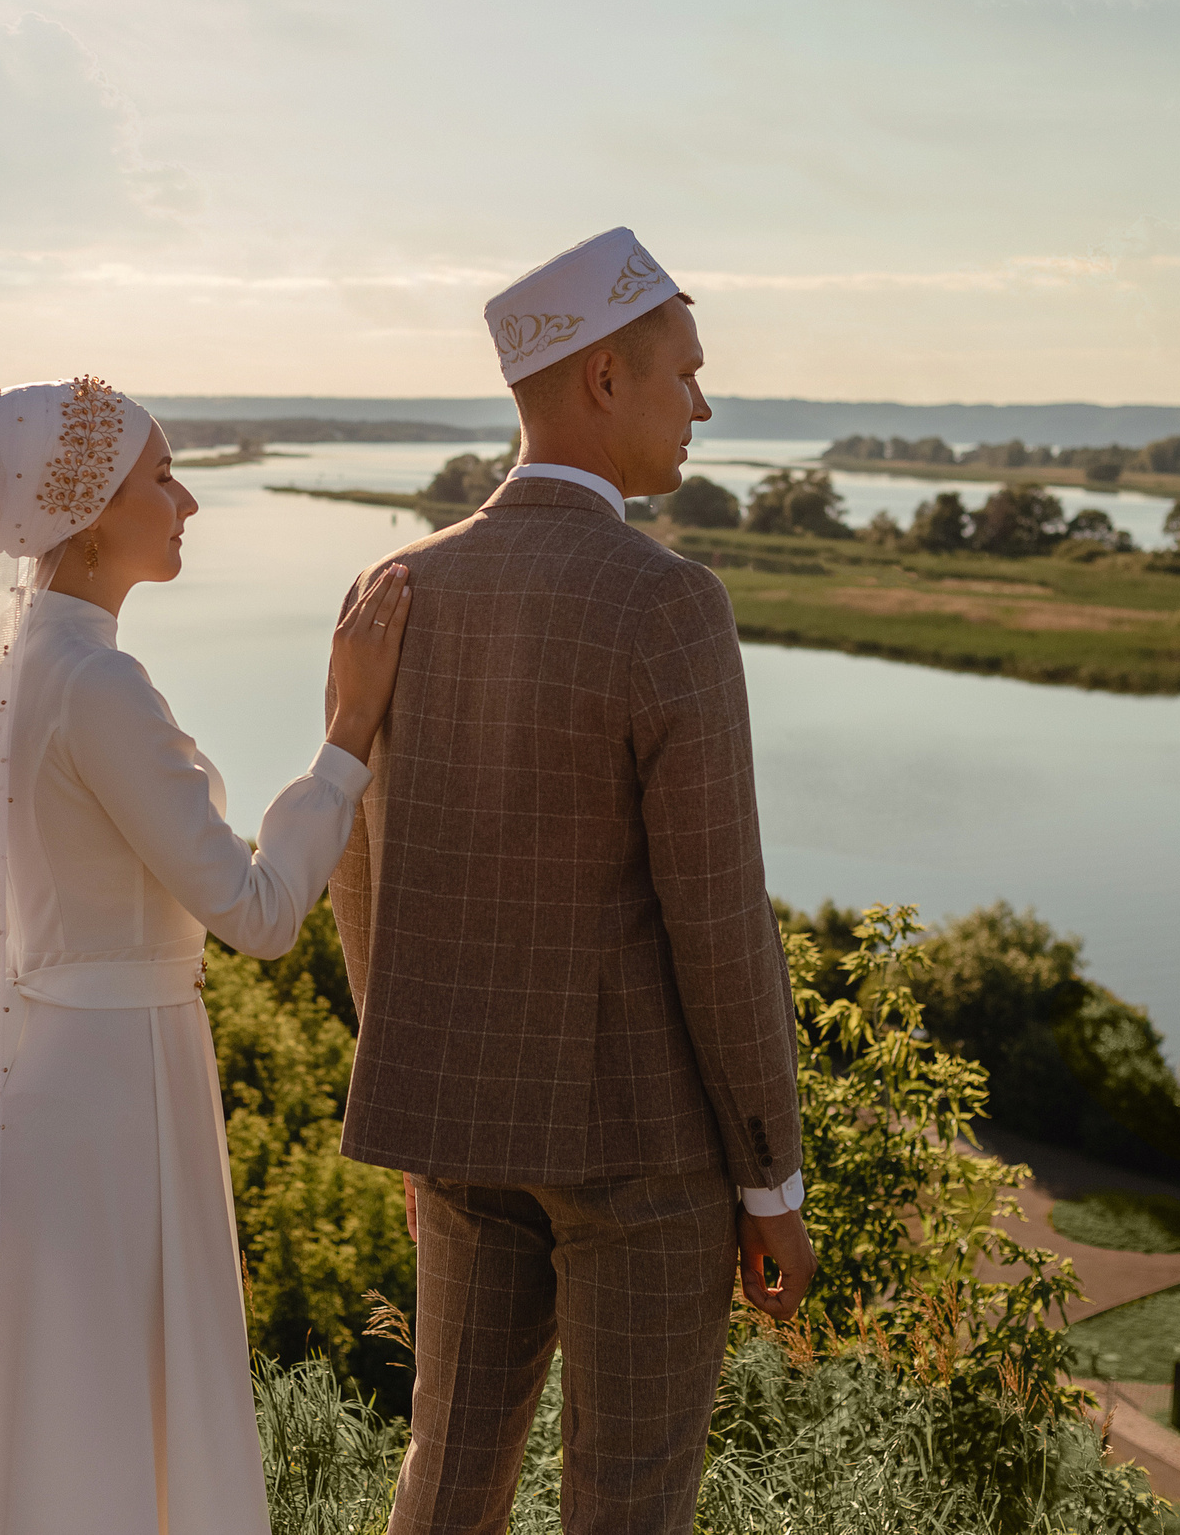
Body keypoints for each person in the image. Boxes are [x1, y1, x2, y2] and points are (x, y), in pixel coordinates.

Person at [0, 375, 411, 1534]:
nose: (187, 501)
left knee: (37, 1393)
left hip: (43, 1068)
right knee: (102, 1389)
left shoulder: (6, 668)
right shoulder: (96, 682)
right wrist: (345, 740)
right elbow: (256, 912)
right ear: (89, 514)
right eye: (161, 477)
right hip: (110, 1085)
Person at [327, 230, 815, 1535]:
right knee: (628, 1499)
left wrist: (410, 1065)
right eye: (686, 374)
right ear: (605, 377)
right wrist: (772, 1181)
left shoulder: (396, 584)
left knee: (446, 1469)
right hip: (640, 1152)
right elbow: (719, 918)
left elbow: (356, 864)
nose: (703, 403)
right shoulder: (667, 603)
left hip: (460, 1125)